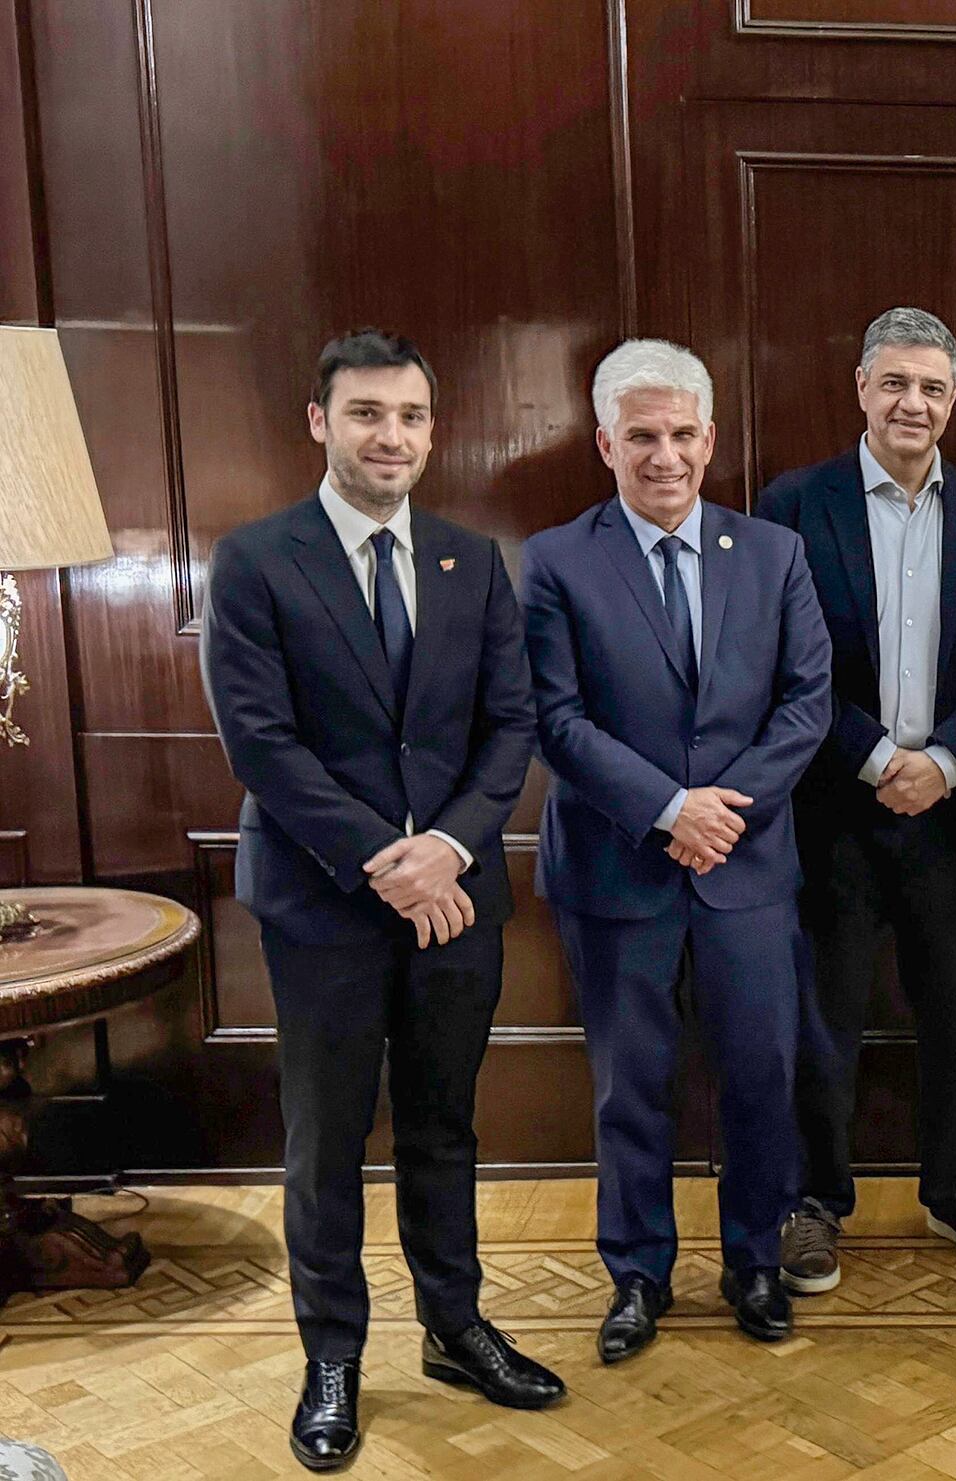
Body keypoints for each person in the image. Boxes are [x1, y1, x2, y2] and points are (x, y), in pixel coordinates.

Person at [201, 329, 563, 1472]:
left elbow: (510, 723)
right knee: (326, 1138)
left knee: (444, 1124)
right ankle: (333, 1356)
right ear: (321, 422)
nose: (390, 435)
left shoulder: (470, 560)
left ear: (432, 428)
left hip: (455, 899)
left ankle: (455, 1328)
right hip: (323, 903)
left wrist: (446, 848)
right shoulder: (255, 559)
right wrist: (383, 858)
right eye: (366, 413)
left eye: (409, 415)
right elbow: (260, 740)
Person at [521, 339, 831, 1358]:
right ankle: (637, 1274)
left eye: (683, 434)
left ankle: (754, 1261)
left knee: (760, 1073)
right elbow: (555, 718)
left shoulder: (774, 553)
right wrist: (666, 809)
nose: (666, 456)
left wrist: (718, 812)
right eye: (643, 436)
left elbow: (806, 703)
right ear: (605, 443)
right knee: (629, 1086)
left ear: (711, 438)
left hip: (746, 863)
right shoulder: (555, 560)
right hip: (616, 867)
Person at [759, 307, 956, 1291]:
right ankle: (814, 1202)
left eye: (930, 386)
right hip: (832, 810)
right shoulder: (794, 505)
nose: (911, 402)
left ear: (954, 399)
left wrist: (946, 759)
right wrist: (876, 758)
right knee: (824, 1016)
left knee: (955, 1016)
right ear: (861, 390)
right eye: (894, 382)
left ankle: (954, 1189)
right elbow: (779, 659)